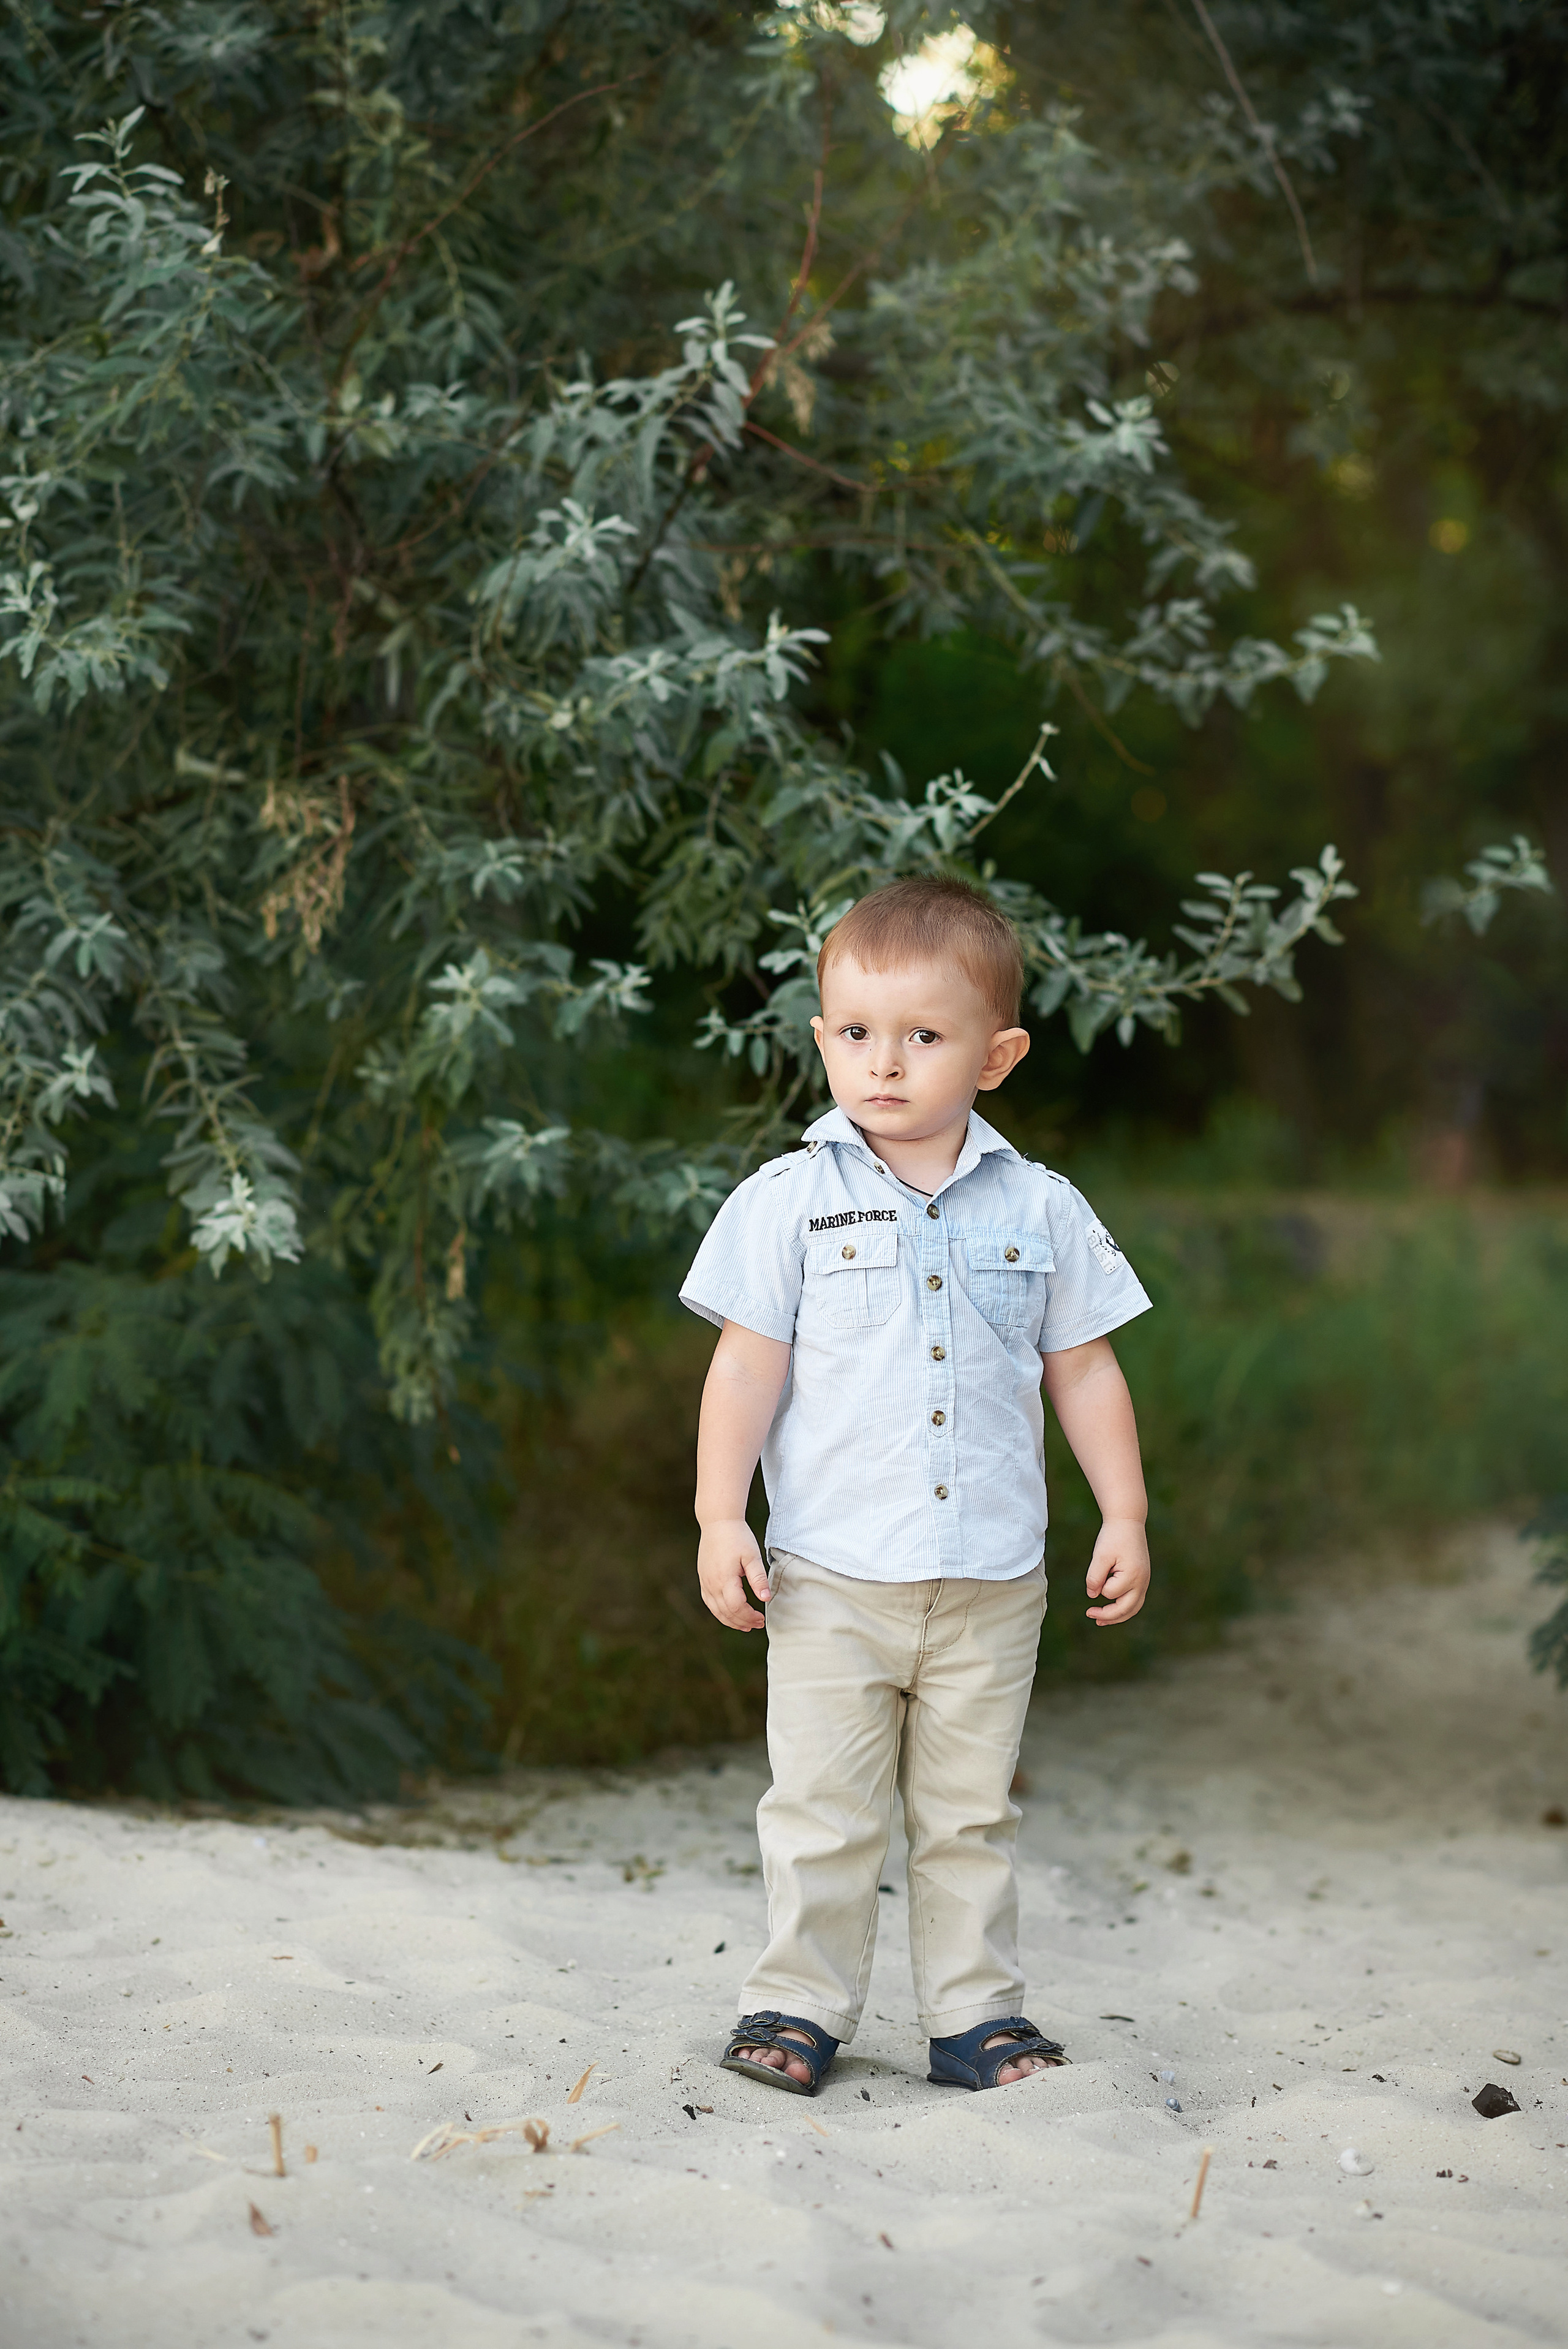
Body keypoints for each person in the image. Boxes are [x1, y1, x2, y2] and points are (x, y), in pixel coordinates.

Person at [678, 874, 1153, 2097]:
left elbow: (1084, 1368)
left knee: (966, 1818)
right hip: (831, 1576)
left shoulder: (1041, 1208)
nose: (882, 1064)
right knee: (823, 1810)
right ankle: (794, 2006)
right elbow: (744, 1370)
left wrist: (1125, 1512)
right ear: (821, 1037)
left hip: (990, 1583)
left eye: (922, 1037)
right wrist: (720, 1515)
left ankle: (974, 2016)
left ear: (994, 1056)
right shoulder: (788, 1203)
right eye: (853, 1034)